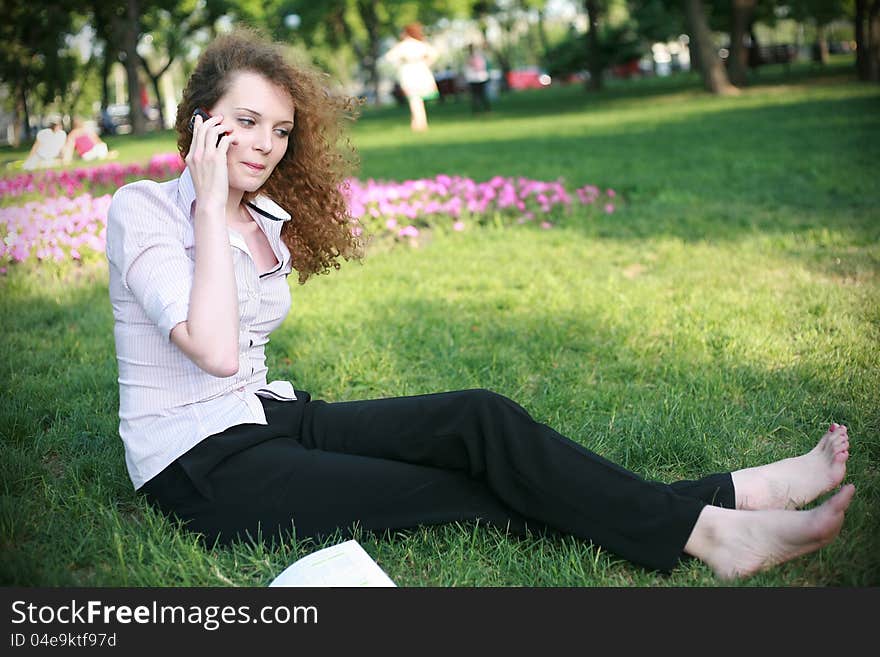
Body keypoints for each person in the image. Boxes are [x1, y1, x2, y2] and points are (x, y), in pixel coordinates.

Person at [105, 29, 855, 582]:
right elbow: (214, 350)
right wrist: (207, 206)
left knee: (479, 417)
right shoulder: (144, 210)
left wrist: (229, 209)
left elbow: (245, 371)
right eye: (243, 122)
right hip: (199, 466)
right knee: (455, 491)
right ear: (199, 120)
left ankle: (729, 505)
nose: (266, 144)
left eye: (280, 129)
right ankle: (723, 519)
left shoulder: (263, 217)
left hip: (270, 414)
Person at [383, 23, 439, 132]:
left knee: (414, 99)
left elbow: (389, 57)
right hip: (422, 71)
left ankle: (419, 123)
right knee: (417, 99)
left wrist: (401, 61)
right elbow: (434, 54)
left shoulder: (403, 45)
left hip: (409, 73)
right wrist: (426, 62)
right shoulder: (421, 44)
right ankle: (419, 122)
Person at [464, 43, 491, 113]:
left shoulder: (479, 56)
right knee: (474, 96)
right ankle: (476, 110)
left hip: (480, 78)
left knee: (482, 95)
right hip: (472, 79)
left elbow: (481, 66)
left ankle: (486, 109)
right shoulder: (468, 57)